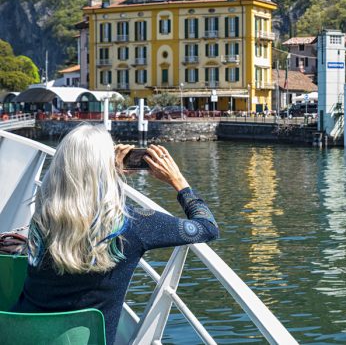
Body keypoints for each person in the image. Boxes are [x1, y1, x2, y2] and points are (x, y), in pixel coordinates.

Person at [11, 124, 219, 345]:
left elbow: (83, 207)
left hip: (19, 337)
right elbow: (207, 227)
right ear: (105, 170)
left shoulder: (41, 218)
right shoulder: (136, 225)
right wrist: (178, 181)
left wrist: (111, 176)